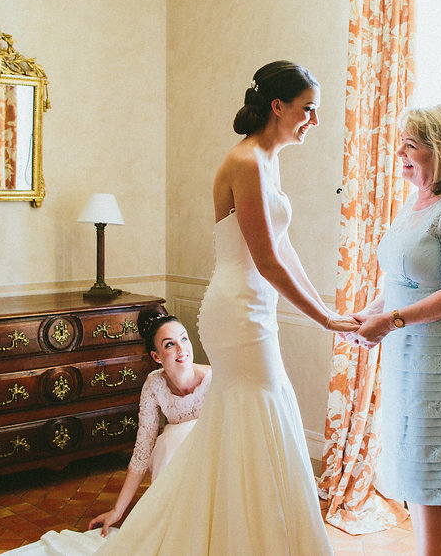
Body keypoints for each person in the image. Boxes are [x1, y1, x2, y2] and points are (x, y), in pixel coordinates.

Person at [90, 61, 357, 555]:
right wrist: (325, 321)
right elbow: (268, 260)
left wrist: (328, 308)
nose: (314, 121)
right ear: (278, 106)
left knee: (252, 415)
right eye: (308, 110)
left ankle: (248, 536)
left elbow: (286, 250)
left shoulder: (268, 161)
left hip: (253, 307)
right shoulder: (246, 162)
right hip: (238, 311)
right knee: (259, 408)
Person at [350, 104, 441, 556]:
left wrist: (388, 322)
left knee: (431, 459)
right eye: (401, 144)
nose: (400, 154)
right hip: (407, 344)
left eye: (411, 145)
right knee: (409, 451)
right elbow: (400, 281)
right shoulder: (415, 202)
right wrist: (369, 314)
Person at [88, 307, 211, 536]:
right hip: (176, 465)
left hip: (214, 464)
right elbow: (143, 451)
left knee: (177, 434)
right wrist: (117, 510)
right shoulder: (154, 384)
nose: (181, 348)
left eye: (183, 338)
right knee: (169, 439)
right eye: (169, 344)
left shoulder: (214, 379)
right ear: (156, 356)